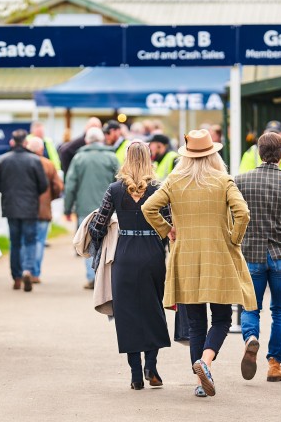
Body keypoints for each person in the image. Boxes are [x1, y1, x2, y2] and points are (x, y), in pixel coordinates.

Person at [142, 129, 257, 398]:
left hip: (186, 257)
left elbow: (148, 208)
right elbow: (243, 212)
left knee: (195, 323)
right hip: (219, 256)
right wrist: (234, 239)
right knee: (222, 318)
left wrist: (167, 229)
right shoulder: (222, 179)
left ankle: (199, 380)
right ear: (213, 154)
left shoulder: (174, 180)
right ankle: (205, 362)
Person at [88, 142, 172, 390]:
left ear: (126, 159)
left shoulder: (114, 189)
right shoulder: (158, 189)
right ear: (149, 159)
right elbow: (168, 224)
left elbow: (98, 227)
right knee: (153, 309)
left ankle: (136, 374)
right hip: (152, 254)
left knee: (127, 315)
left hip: (123, 254)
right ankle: (152, 366)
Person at [235, 132, 281, 383]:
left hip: (251, 253)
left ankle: (250, 338)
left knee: (250, 306)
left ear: (258, 151)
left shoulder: (241, 182)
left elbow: (232, 216)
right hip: (280, 256)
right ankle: (274, 364)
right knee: (280, 310)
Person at [64, 127, 119, 290]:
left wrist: (67, 209)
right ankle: (105, 278)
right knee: (109, 243)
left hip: (85, 208)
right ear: (102, 140)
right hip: (109, 209)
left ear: (87, 141)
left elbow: (71, 185)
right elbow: (119, 181)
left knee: (88, 243)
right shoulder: (111, 157)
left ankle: (92, 276)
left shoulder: (79, 158)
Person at [0, 129, 48, 291]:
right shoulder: (34, 160)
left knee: (15, 242)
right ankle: (27, 270)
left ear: (12, 142)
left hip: (10, 207)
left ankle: (16, 276)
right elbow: (43, 185)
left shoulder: (3, 160)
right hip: (30, 207)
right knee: (30, 241)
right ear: (25, 142)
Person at [26, 137, 63, 284]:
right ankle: (35, 273)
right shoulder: (48, 164)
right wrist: (49, 198)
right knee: (39, 241)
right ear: (41, 150)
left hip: (26, 209)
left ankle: (25, 269)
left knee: (26, 241)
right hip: (43, 209)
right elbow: (58, 186)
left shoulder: (25, 163)